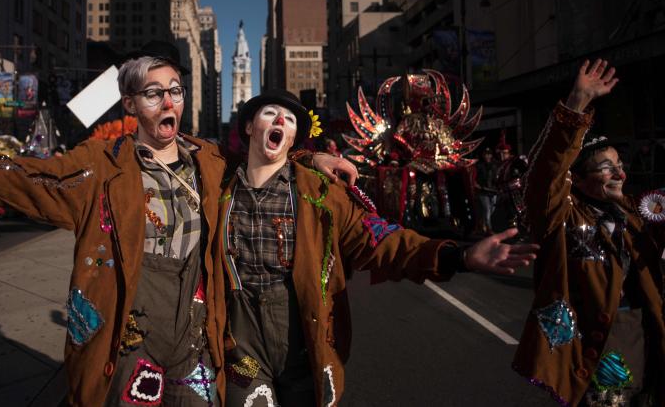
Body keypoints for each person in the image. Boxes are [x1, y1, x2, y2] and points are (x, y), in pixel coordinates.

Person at [0, 56, 356, 406]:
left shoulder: (211, 163)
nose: (169, 101)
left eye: (175, 90)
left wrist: (311, 158)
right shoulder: (101, 167)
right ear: (131, 104)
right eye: (154, 94)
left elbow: (265, 158)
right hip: (132, 349)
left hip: (198, 351)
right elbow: (27, 180)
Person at [214, 89, 539, 406]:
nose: (280, 122)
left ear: (296, 136)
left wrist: (459, 256)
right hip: (242, 349)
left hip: (304, 347)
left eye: (290, 119)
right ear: (247, 126)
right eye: (270, 114)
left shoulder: (323, 195)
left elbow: (382, 240)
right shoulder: (216, 186)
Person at [513, 59, 665, 406]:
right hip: (600, 342)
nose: (620, 174)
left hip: (644, 332)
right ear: (577, 180)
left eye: (621, 165)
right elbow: (544, 177)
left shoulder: (634, 211)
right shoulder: (561, 216)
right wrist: (576, 105)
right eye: (606, 168)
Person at [474, 147, 499, 234]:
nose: (488, 156)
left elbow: (497, 176)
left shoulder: (495, 164)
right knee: (487, 209)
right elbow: (474, 176)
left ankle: (483, 222)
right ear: (483, 155)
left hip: (493, 190)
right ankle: (489, 229)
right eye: (486, 154)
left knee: (492, 209)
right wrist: (475, 184)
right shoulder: (479, 165)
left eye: (489, 154)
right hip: (483, 190)